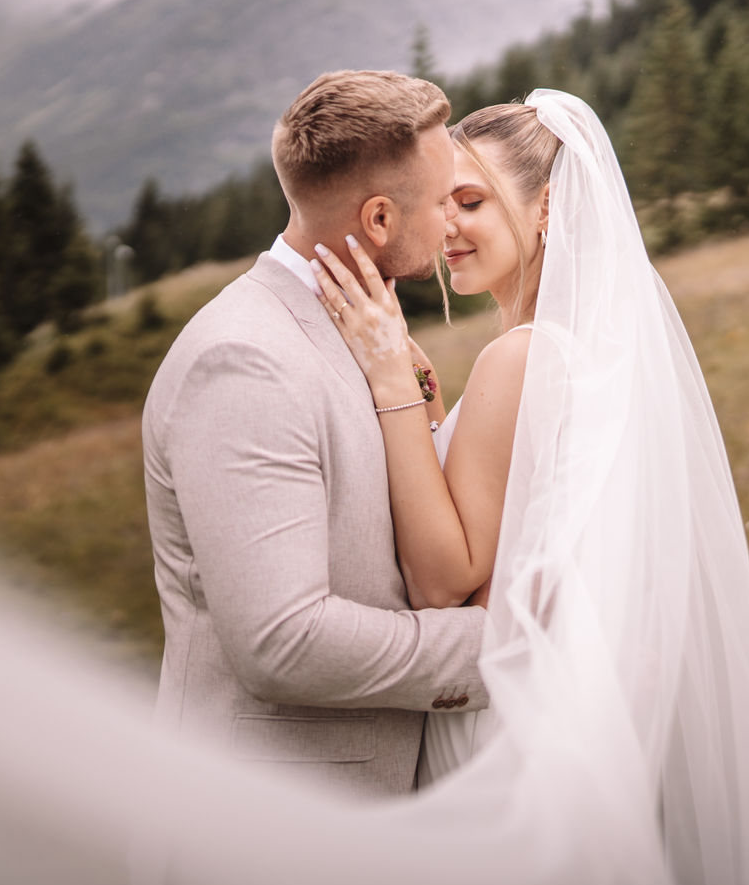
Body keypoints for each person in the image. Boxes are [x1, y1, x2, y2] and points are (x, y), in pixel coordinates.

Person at [308, 89, 749, 885]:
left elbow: (444, 579)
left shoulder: (518, 358)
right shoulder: (581, 353)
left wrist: (390, 380)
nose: (446, 228)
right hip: (571, 714)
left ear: (547, 207)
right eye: (441, 204)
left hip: (503, 733)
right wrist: (427, 399)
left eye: (471, 201)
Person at [141, 69, 489, 800]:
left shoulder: (365, 327)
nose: (450, 225)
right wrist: (509, 647)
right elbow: (284, 642)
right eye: (439, 203)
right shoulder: (245, 361)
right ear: (379, 220)